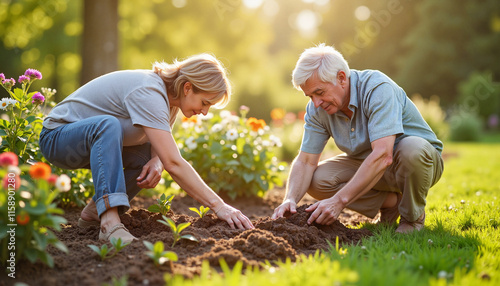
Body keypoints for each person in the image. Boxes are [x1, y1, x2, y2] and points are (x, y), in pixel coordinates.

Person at [39, 54, 254, 243]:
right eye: (205, 102)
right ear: (187, 87)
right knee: (108, 125)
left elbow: (160, 151)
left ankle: (95, 212)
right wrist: (219, 206)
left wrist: (156, 161)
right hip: (58, 138)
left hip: (89, 146)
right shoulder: (149, 92)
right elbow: (174, 162)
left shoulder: (170, 102)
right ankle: (109, 223)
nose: (205, 112)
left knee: (146, 159)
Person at [272, 44, 444, 233]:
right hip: (371, 165)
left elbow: (383, 155)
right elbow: (305, 162)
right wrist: (290, 198)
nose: (316, 103)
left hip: (416, 163)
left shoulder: (377, 89)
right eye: (310, 96)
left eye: (319, 92)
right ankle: (392, 204)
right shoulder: (317, 109)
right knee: (317, 180)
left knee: (412, 149)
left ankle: (412, 218)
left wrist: (339, 201)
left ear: (341, 78)